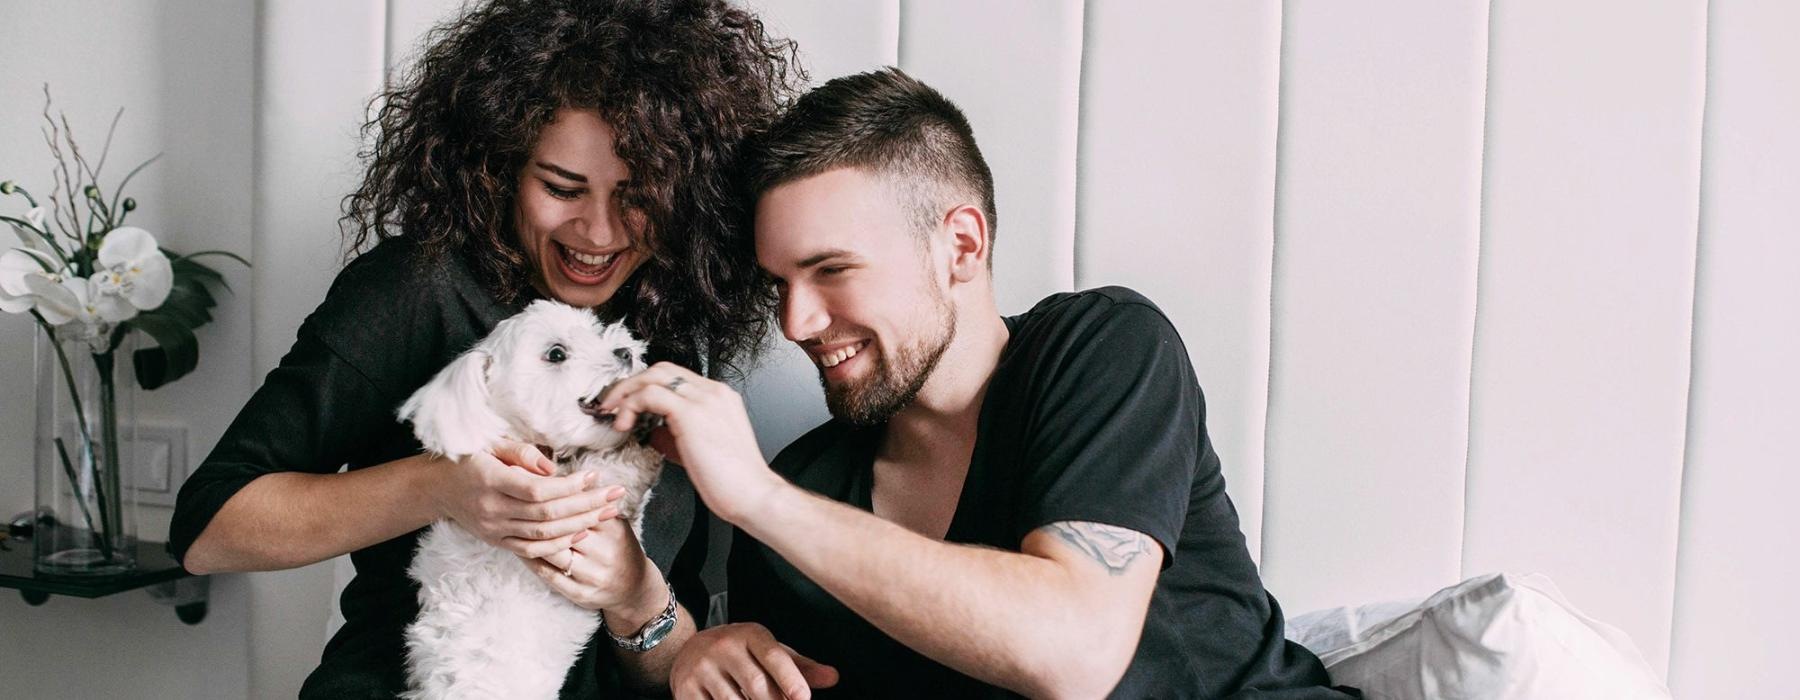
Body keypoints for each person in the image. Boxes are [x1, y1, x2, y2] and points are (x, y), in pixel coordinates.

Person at [590, 68, 1361, 698]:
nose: (796, 323)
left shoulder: (1101, 348)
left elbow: (1075, 653)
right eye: (780, 283)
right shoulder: (806, 490)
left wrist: (757, 498)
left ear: (960, 245)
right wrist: (695, 645)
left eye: (831, 270)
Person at [166, 1, 799, 697]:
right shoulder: (419, 289)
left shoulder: (676, 322)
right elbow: (208, 531)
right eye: (561, 188)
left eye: (639, 196)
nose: (597, 230)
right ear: (499, 168)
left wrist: (635, 596)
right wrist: (442, 487)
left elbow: (667, 645)